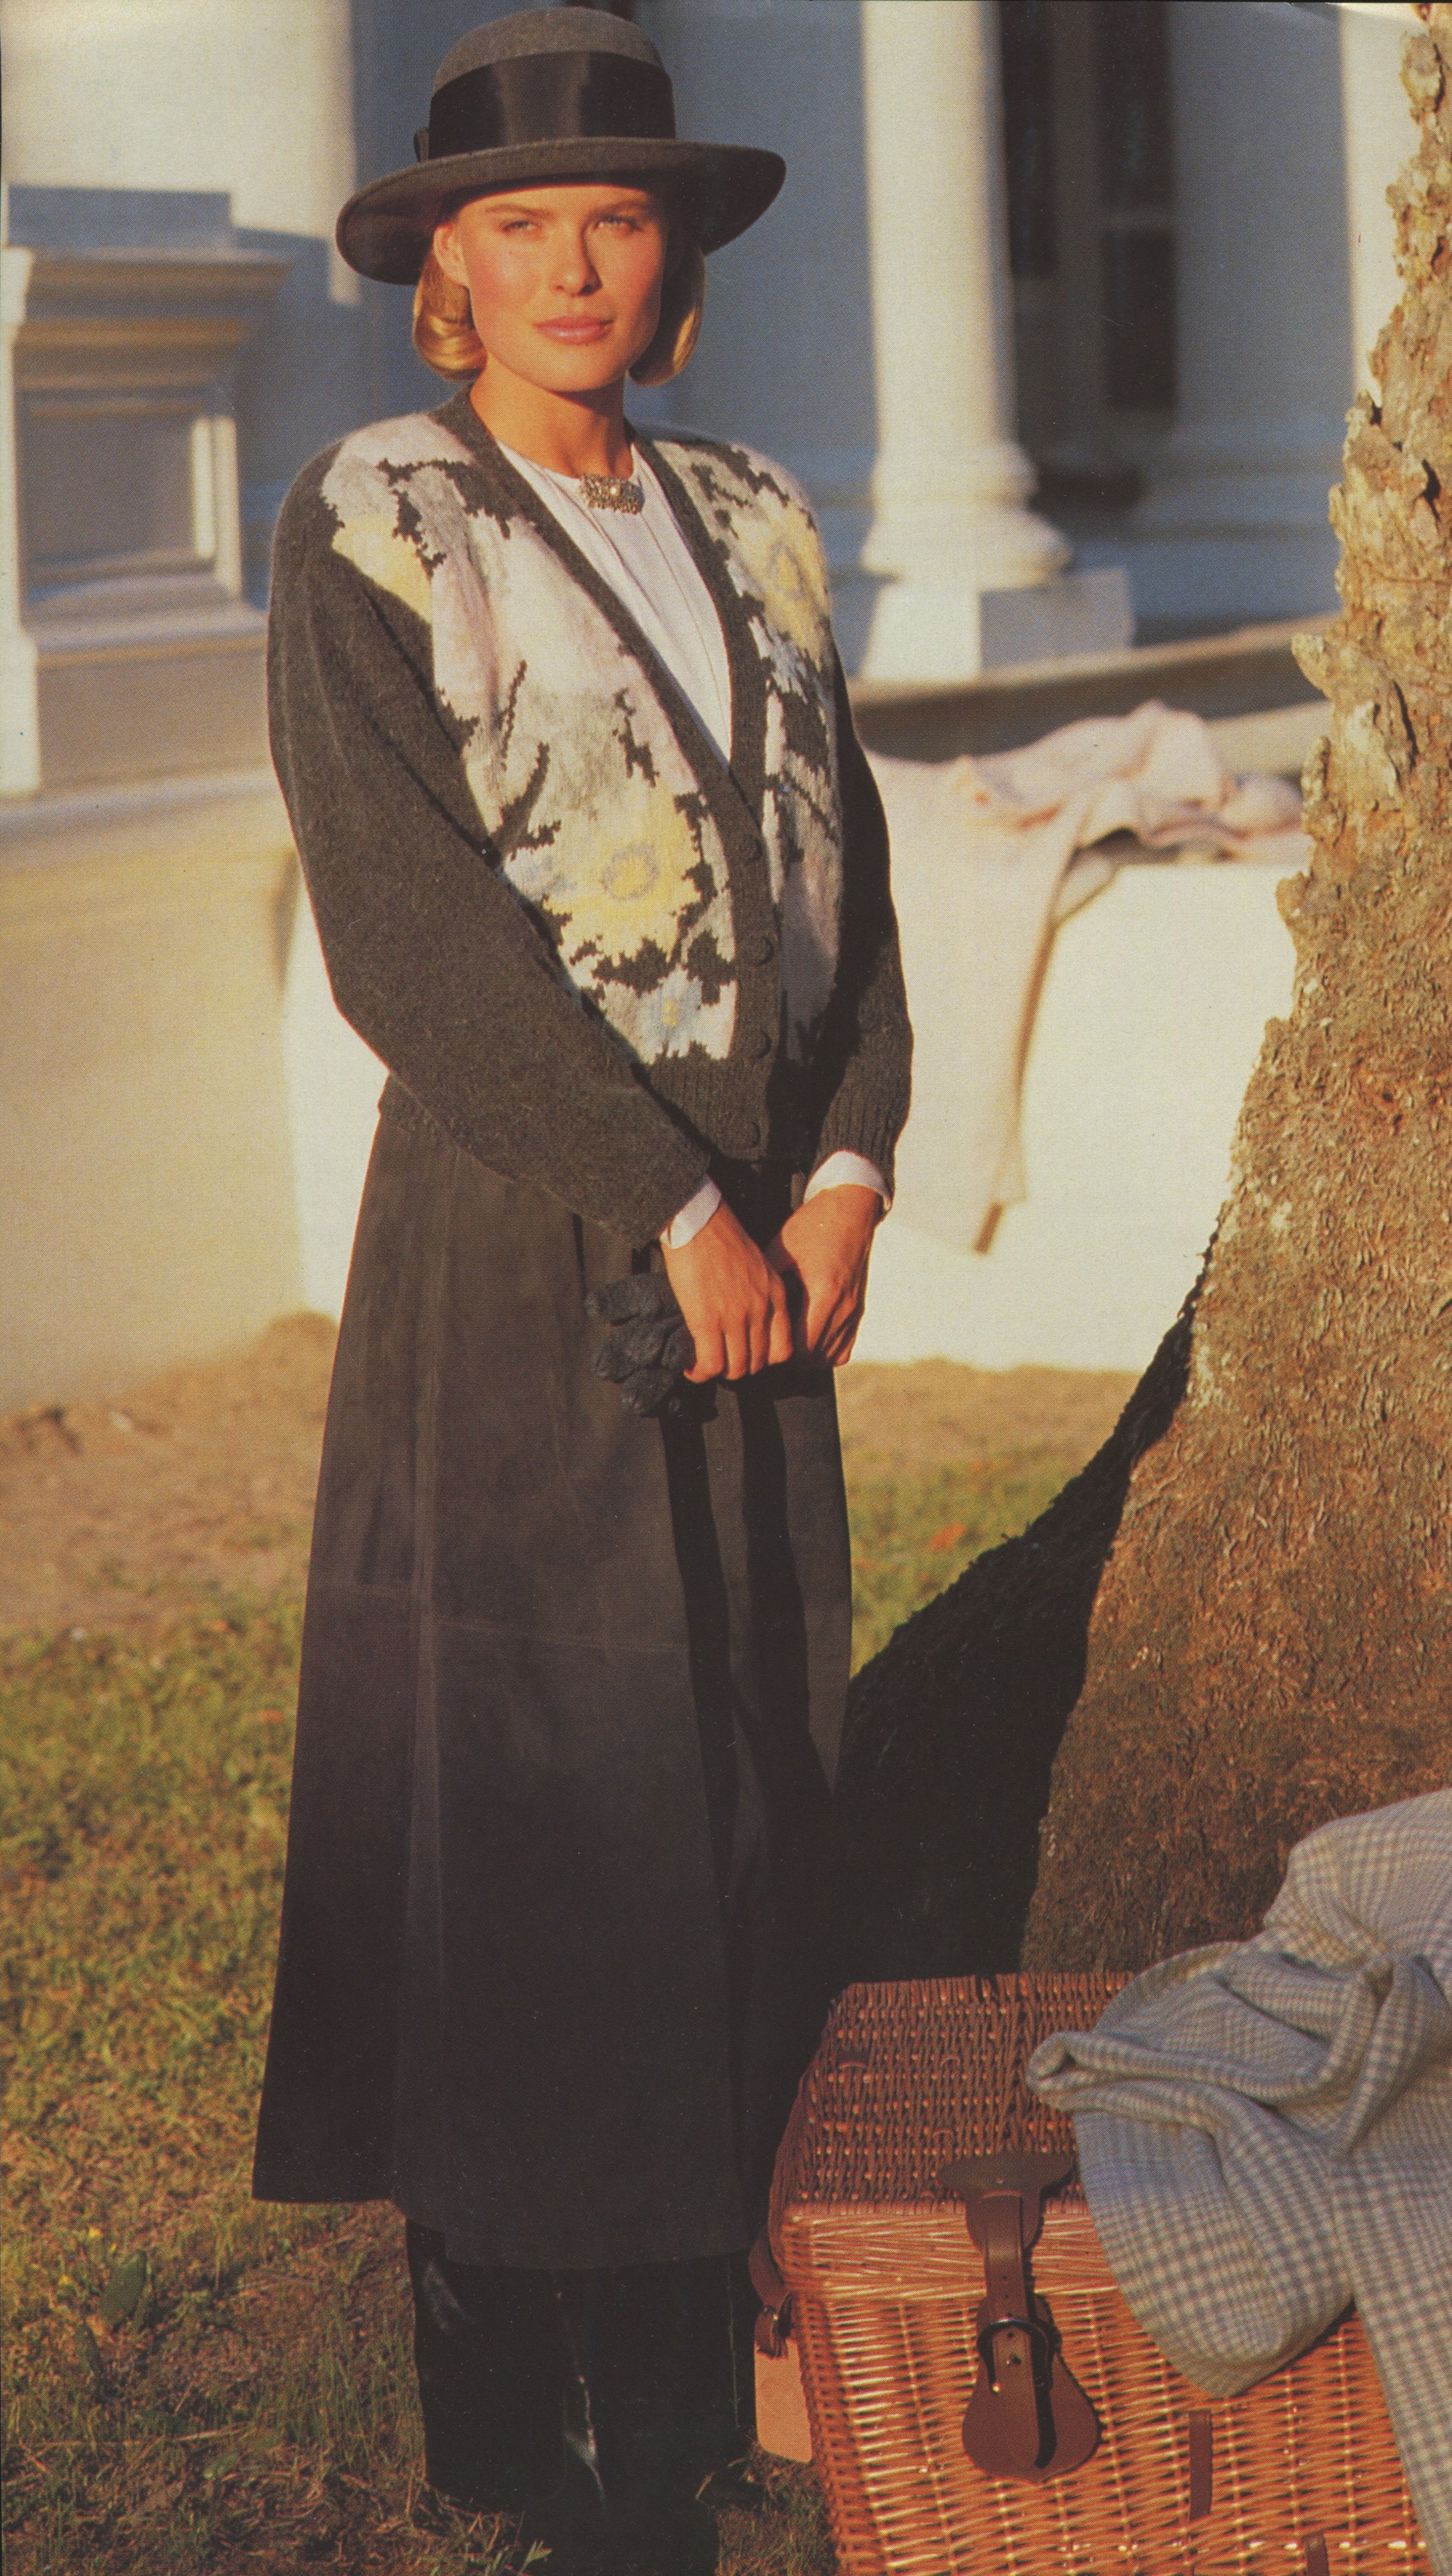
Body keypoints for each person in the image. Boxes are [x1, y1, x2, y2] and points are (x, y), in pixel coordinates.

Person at [250, 12, 911, 2570]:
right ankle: (538, 2437)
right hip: (528, 1243)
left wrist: (839, 1168)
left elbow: (842, 873)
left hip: (763, 1241)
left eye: (615, 219)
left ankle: (708, 2356)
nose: (570, 266)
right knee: (544, 1806)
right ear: (443, 267)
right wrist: (664, 1201)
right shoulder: (379, 519)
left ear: (674, 255)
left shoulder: (752, 514)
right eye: (518, 225)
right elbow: (406, 930)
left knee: (739, 1770)